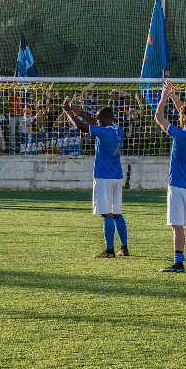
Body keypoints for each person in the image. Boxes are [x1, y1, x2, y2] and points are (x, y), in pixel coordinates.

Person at [60, 100, 127, 258]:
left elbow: (81, 126)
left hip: (104, 177)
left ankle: (109, 250)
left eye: (99, 119)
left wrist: (68, 112)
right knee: (117, 213)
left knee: (105, 214)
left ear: (106, 119)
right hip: (117, 177)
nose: (97, 121)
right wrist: (79, 112)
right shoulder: (118, 129)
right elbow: (93, 122)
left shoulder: (104, 132)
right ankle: (124, 248)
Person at [156, 81, 186, 272]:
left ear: (183, 117)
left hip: (177, 185)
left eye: (180, 115)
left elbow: (158, 117)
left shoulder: (179, 134)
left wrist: (164, 97)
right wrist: (175, 98)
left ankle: (178, 263)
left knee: (177, 226)